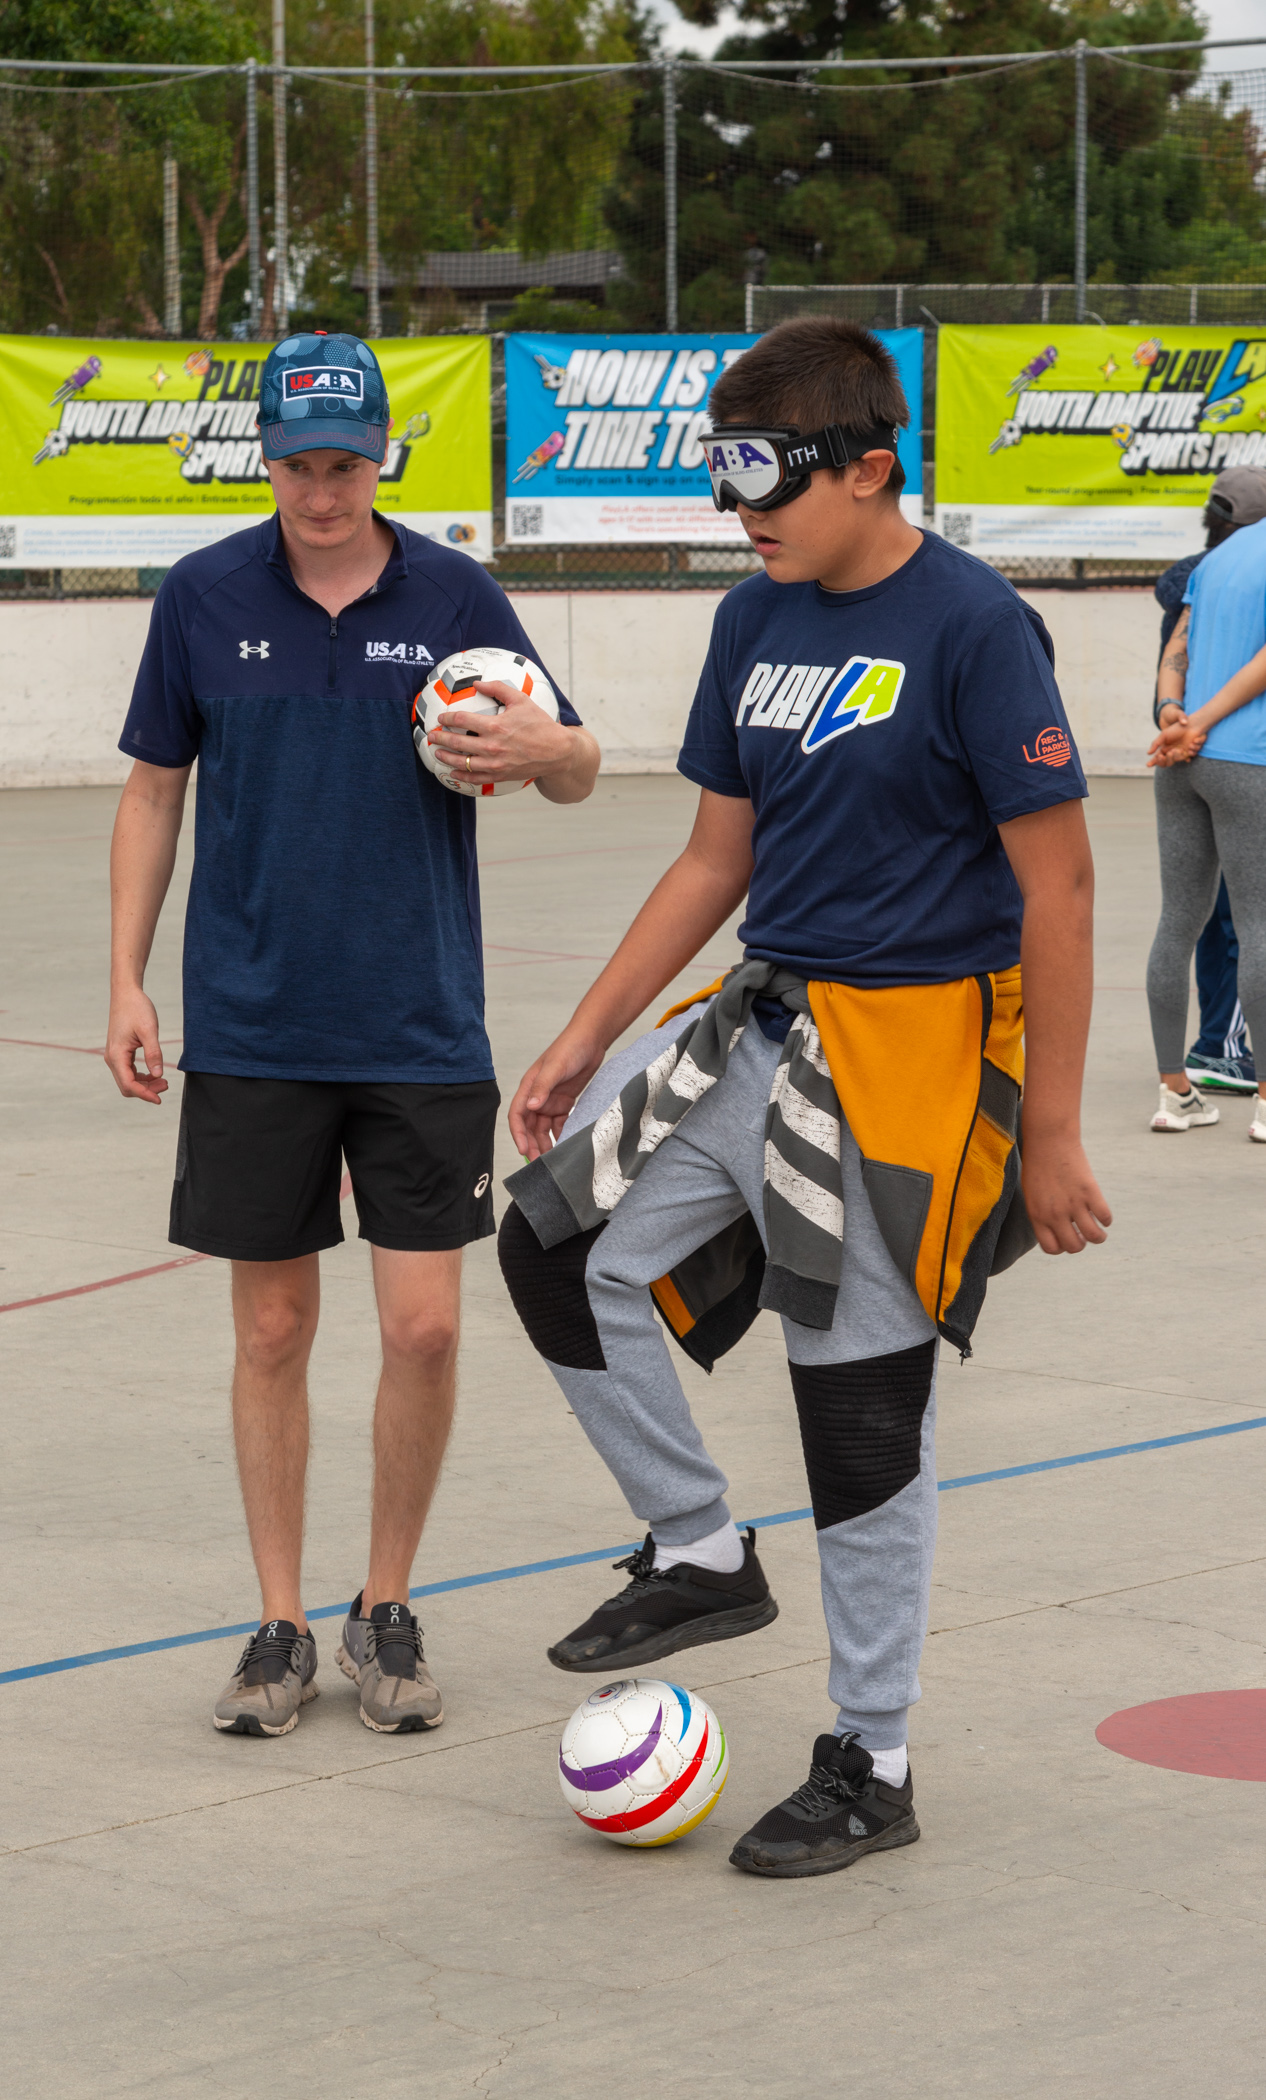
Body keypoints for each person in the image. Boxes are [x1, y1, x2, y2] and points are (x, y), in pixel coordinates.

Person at [496, 316, 1111, 1879]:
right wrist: (584, 1037)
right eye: (724, 478)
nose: (741, 513)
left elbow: (1062, 888)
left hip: (911, 1059)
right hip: (761, 1021)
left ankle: (870, 1755)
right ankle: (700, 1543)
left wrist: (1047, 1132)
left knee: (856, 1414)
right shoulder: (753, 621)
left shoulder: (974, 630)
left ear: (867, 466)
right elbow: (717, 858)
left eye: (766, 478)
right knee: (558, 1248)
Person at [104, 331, 599, 1739]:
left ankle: (385, 1599)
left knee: (426, 1328)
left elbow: (576, 766)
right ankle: (276, 1625)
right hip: (255, 1024)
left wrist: (539, 749)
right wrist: (128, 979)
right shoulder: (201, 598)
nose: (321, 492)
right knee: (270, 1327)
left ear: (383, 456)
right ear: (262, 457)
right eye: (297, 464)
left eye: (346, 463)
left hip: (417, 1021)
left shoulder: (452, 596)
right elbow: (153, 794)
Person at [1146, 495, 1266, 1145]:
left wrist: (1174, 713)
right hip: (1249, 756)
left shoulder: (1219, 559)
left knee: (1178, 923)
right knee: (1260, 925)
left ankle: (1174, 1091)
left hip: (1182, 759)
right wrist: (1206, 721)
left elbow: (1178, 646)